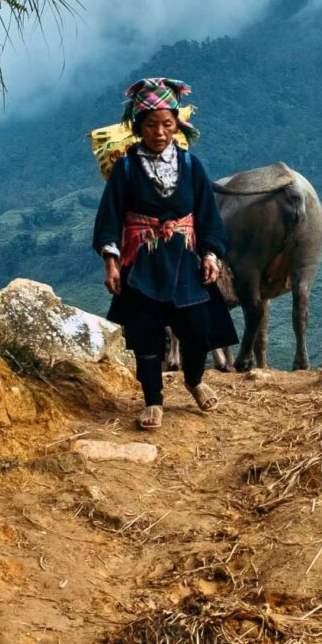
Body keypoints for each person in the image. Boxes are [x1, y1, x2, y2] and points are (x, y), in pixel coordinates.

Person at [92, 77, 235, 430]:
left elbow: (207, 217)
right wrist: (111, 263)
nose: (159, 132)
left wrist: (210, 255)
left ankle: (195, 380)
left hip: (186, 261)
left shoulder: (191, 166)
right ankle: (153, 401)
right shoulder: (125, 169)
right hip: (143, 264)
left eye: (166, 124)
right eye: (151, 124)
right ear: (138, 127)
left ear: (177, 126)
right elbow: (109, 218)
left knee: (197, 328)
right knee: (146, 334)